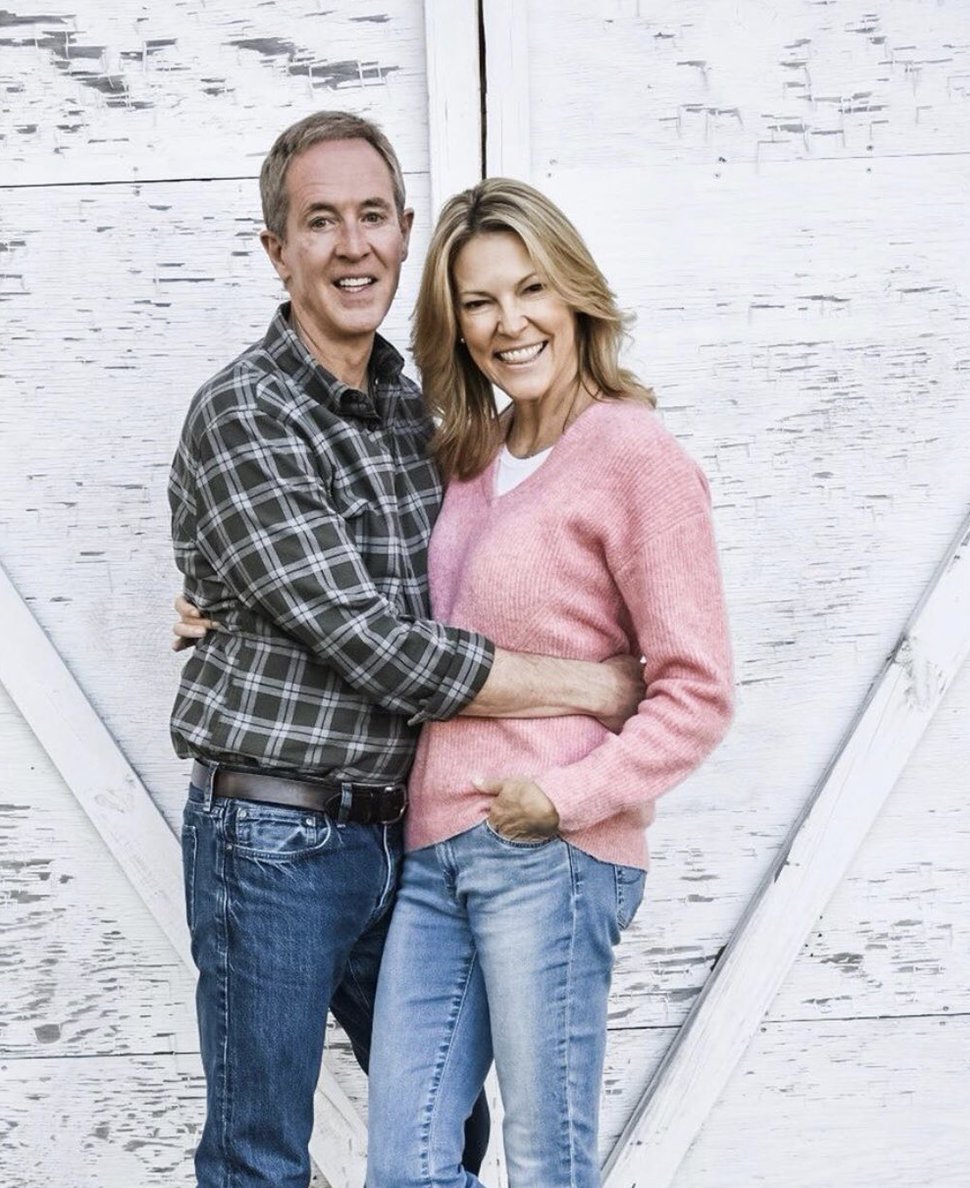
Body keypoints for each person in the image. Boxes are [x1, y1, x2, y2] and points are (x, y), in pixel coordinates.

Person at [168, 114, 645, 1188]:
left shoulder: (416, 413)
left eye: (372, 216)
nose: (352, 246)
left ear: (403, 231)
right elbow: (380, 648)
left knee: (438, 1133)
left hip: (408, 837)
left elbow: (487, 583)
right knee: (260, 1156)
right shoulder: (246, 415)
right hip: (275, 835)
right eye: (319, 221)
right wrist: (598, 686)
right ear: (276, 249)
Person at [363, 178, 735, 1188]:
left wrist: (562, 799)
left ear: (574, 294)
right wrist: (221, 604)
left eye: (530, 289)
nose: (509, 322)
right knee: (404, 1167)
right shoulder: (470, 458)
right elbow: (371, 603)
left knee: (545, 1163)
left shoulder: (633, 454)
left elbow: (697, 691)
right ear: (456, 324)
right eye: (479, 301)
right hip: (436, 849)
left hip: (551, 852)